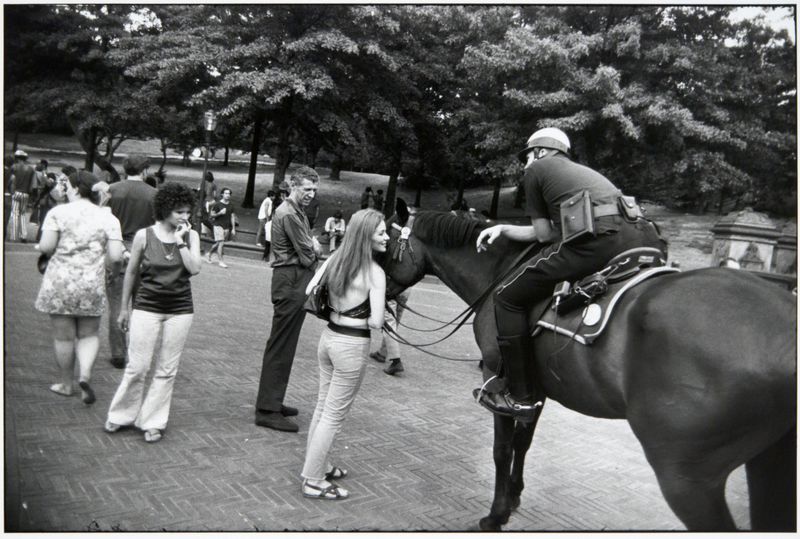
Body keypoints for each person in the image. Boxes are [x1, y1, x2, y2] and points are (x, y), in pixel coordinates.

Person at [473, 127, 666, 421]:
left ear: (539, 152)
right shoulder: (580, 174)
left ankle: (520, 396)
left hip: (598, 242)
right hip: (640, 238)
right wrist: (503, 228)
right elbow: (549, 232)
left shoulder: (538, 170)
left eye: (527, 156)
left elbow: (543, 235)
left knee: (507, 296)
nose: (526, 164)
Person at [300, 209, 389, 500]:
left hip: (328, 339)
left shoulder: (334, 259)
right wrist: (381, 311)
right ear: (366, 236)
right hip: (351, 345)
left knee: (322, 408)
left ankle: (320, 466)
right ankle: (313, 480)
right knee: (333, 416)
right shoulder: (375, 273)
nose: (387, 237)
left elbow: (313, 290)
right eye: (381, 233)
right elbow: (376, 322)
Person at [104, 182, 202, 443]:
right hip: (147, 306)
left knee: (167, 369)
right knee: (137, 366)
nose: (185, 217)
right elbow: (132, 272)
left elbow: (194, 269)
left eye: (187, 211)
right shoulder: (143, 236)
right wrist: (124, 308)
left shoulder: (191, 236)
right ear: (165, 209)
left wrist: (181, 242)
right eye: (179, 211)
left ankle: (153, 421)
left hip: (180, 310)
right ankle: (121, 414)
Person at [34, 170, 123, 403]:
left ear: (73, 188)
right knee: (89, 334)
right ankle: (85, 375)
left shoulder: (58, 212)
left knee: (63, 338)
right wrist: (113, 275)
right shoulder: (109, 218)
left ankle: (66, 383)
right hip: (91, 283)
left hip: (60, 282)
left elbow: (46, 246)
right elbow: (116, 256)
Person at [255, 166, 322, 432]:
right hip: (291, 278)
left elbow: (309, 249)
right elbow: (309, 254)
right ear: (293, 186)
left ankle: (273, 401)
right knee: (282, 344)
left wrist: (312, 246)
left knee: (285, 343)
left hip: (294, 279)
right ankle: (267, 409)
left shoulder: (295, 211)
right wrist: (314, 246)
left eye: (314, 190)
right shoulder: (290, 214)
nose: (311, 194)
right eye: (306, 189)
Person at [108, 154, 157, 369]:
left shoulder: (112, 190)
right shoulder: (154, 195)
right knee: (142, 306)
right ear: (145, 170)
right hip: (145, 251)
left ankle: (118, 352)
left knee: (117, 304)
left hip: (117, 248)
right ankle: (138, 352)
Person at [369, 288, 411, 375]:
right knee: (394, 322)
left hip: (391, 289)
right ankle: (382, 353)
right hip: (406, 289)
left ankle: (396, 361)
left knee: (389, 322)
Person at [7, 149, 37, 242]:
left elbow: (10, 180)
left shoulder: (14, 167)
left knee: (15, 214)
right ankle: (23, 236)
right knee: (23, 215)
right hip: (26, 194)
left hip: (16, 192)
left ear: (17, 158)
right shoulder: (31, 169)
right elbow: (34, 185)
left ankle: (14, 236)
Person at [206, 187, 236, 268]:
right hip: (218, 225)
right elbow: (212, 215)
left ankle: (209, 254)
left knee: (218, 243)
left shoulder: (231, 205)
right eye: (226, 193)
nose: (227, 195)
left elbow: (232, 217)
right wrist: (219, 213)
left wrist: (233, 228)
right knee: (221, 243)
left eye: (229, 194)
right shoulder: (217, 204)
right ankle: (221, 261)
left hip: (226, 227)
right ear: (222, 194)